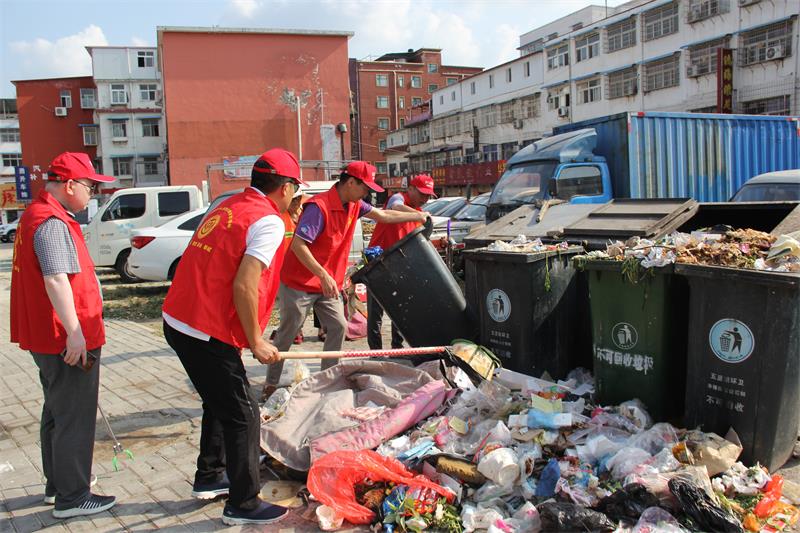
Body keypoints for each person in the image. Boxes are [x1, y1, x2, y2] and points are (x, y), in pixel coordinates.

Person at [161, 148, 304, 526]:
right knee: (243, 413)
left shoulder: (230, 207)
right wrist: (257, 340)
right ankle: (243, 501)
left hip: (181, 317)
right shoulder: (267, 221)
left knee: (218, 399)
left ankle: (210, 475)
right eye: (295, 188)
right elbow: (246, 284)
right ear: (287, 188)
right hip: (204, 327)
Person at [10, 152, 117, 519]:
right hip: (64, 338)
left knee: (57, 410)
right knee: (74, 414)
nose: (93, 195)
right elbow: (55, 279)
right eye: (90, 187)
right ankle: (73, 496)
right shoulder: (51, 222)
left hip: (49, 335)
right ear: (69, 185)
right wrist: (75, 333)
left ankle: (58, 485)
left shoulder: (38, 215)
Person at [263, 162, 428, 398]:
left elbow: (382, 214)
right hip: (300, 283)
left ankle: (325, 380)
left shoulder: (355, 205)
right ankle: (271, 383)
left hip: (327, 283)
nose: (367, 194)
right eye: (365, 188)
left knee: (339, 326)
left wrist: (417, 216)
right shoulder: (319, 207)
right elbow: (298, 245)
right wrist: (322, 274)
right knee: (287, 335)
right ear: (351, 182)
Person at [366, 174, 436, 349]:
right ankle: (375, 352)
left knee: (400, 308)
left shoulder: (420, 215)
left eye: (428, 196)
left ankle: (397, 348)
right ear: (410, 189)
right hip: (378, 261)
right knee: (376, 312)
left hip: (400, 264)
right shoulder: (399, 199)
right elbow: (395, 206)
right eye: (422, 194)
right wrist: (418, 214)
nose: (424, 199)